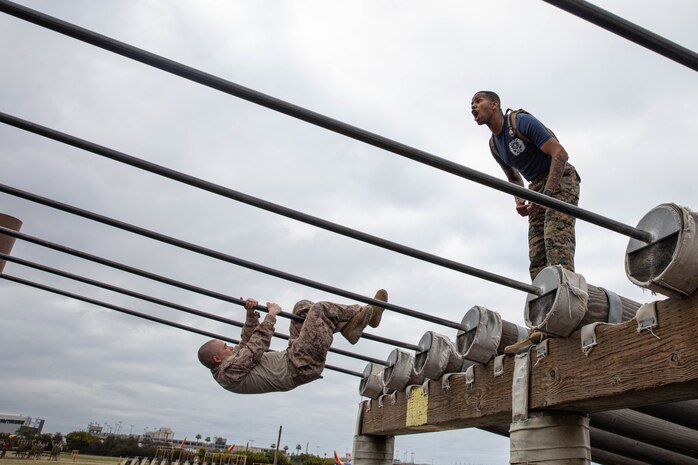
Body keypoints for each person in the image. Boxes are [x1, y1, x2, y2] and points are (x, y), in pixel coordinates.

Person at [471, 91, 581, 281]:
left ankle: (566, 294)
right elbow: (513, 177)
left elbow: (560, 154)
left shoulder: (520, 121)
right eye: (471, 104)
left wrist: (547, 194)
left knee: (555, 240)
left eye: (478, 101)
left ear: (495, 104)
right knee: (537, 252)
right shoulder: (494, 145)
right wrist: (520, 199)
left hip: (561, 178)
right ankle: (543, 301)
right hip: (535, 187)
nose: (473, 106)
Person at [198, 290, 388, 394]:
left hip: (293, 356)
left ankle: (351, 327)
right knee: (319, 310)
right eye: (225, 347)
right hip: (299, 366)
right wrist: (271, 315)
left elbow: (247, 341)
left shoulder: (232, 362)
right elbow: (256, 346)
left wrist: (250, 314)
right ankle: (363, 314)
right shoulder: (227, 372)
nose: (230, 346)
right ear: (217, 358)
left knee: (301, 308)